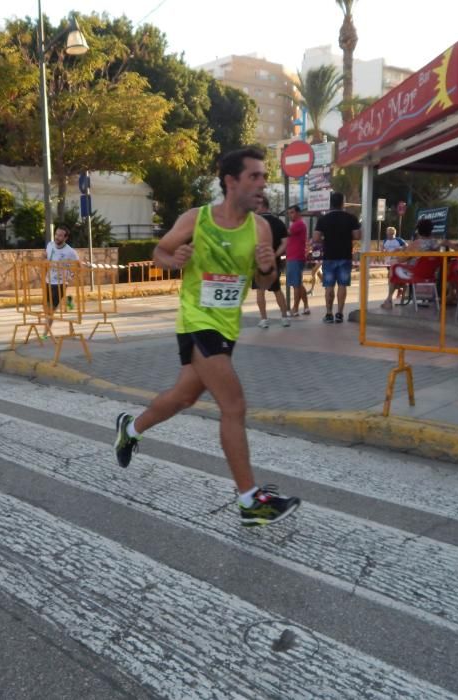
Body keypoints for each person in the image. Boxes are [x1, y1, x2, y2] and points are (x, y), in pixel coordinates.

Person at [113, 147, 301, 527]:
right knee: (234, 405)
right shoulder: (196, 220)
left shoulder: (261, 228)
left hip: (227, 326)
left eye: (265, 177)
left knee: (184, 397)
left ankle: (130, 430)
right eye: (255, 177)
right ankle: (250, 501)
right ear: (231, 182)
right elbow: (158, 253)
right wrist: (174, 261)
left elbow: (263, 283)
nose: (263, 184)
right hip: (197, 322)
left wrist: (268, 268)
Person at [313, 192, 361, 324]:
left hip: (329, 256)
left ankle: (329, 314)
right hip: (345, 255)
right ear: (342, 203)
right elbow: (357, 236)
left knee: (329, 285)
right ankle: (339, 313)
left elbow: (316, 238)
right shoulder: (351, 218)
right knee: (342, 285)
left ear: (330, 203)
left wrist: (326, 238)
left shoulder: (323, 219)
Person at [380, 218, 441, 308]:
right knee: (398, 269)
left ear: (418, 231)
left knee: (394, 267)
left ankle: (389, 299)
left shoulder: (415, 244)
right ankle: (401, 291)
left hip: (415, 273)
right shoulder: (436, 244)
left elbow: (402, 259)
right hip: (431, 274)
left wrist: (398, 254)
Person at [253, 196, 290, 328]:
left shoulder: (254, 223)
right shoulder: (278, 222)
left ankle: (264, 319)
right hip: (274, 261)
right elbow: (285, 243)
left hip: (258, 261)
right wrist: (275, 254)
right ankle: (285, 317)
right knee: (277, 289)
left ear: (261, 205)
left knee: (260, 290)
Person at [43, 225, 79, 339]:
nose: (57, 237)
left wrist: (72, 275)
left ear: (65, 238)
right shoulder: (50, 245)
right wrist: (43, 258)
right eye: (56, 234)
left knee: (51, 310)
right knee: (46, 308)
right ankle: (67, 300)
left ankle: (44, 335)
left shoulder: (70, 252)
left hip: (61, 283)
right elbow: (46, 257)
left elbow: (78, 265)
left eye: (60, 235)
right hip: (48, 280)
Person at [284, 205, 310, 316]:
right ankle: (306, 306)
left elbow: (285, 233)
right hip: (295, 257)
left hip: (295, 258)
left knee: (295, 285)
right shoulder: (297, 224)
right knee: (298, 284)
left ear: (298, 213)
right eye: (289, 213)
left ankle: (295, 309)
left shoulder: (298, 224)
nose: (290, 215)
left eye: (292, 212)